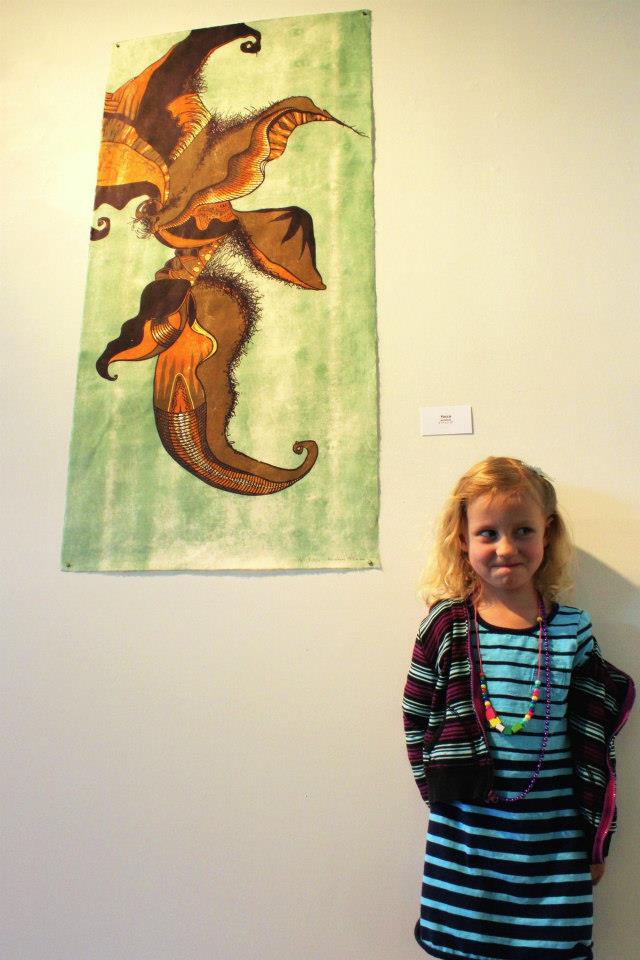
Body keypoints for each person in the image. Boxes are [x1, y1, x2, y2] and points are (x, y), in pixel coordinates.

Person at [403, 457, 635, 960]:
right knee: (466, 947)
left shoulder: (572, 628)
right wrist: (438, 796)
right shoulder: (446, 625)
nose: (506, 548)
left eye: (522, 530)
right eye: (487, 533)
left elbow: (595, 742)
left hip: (553, 840)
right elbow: (416, 718)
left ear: (547, 533)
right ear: (462, 539)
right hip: (466, 837)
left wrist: (597, 837)